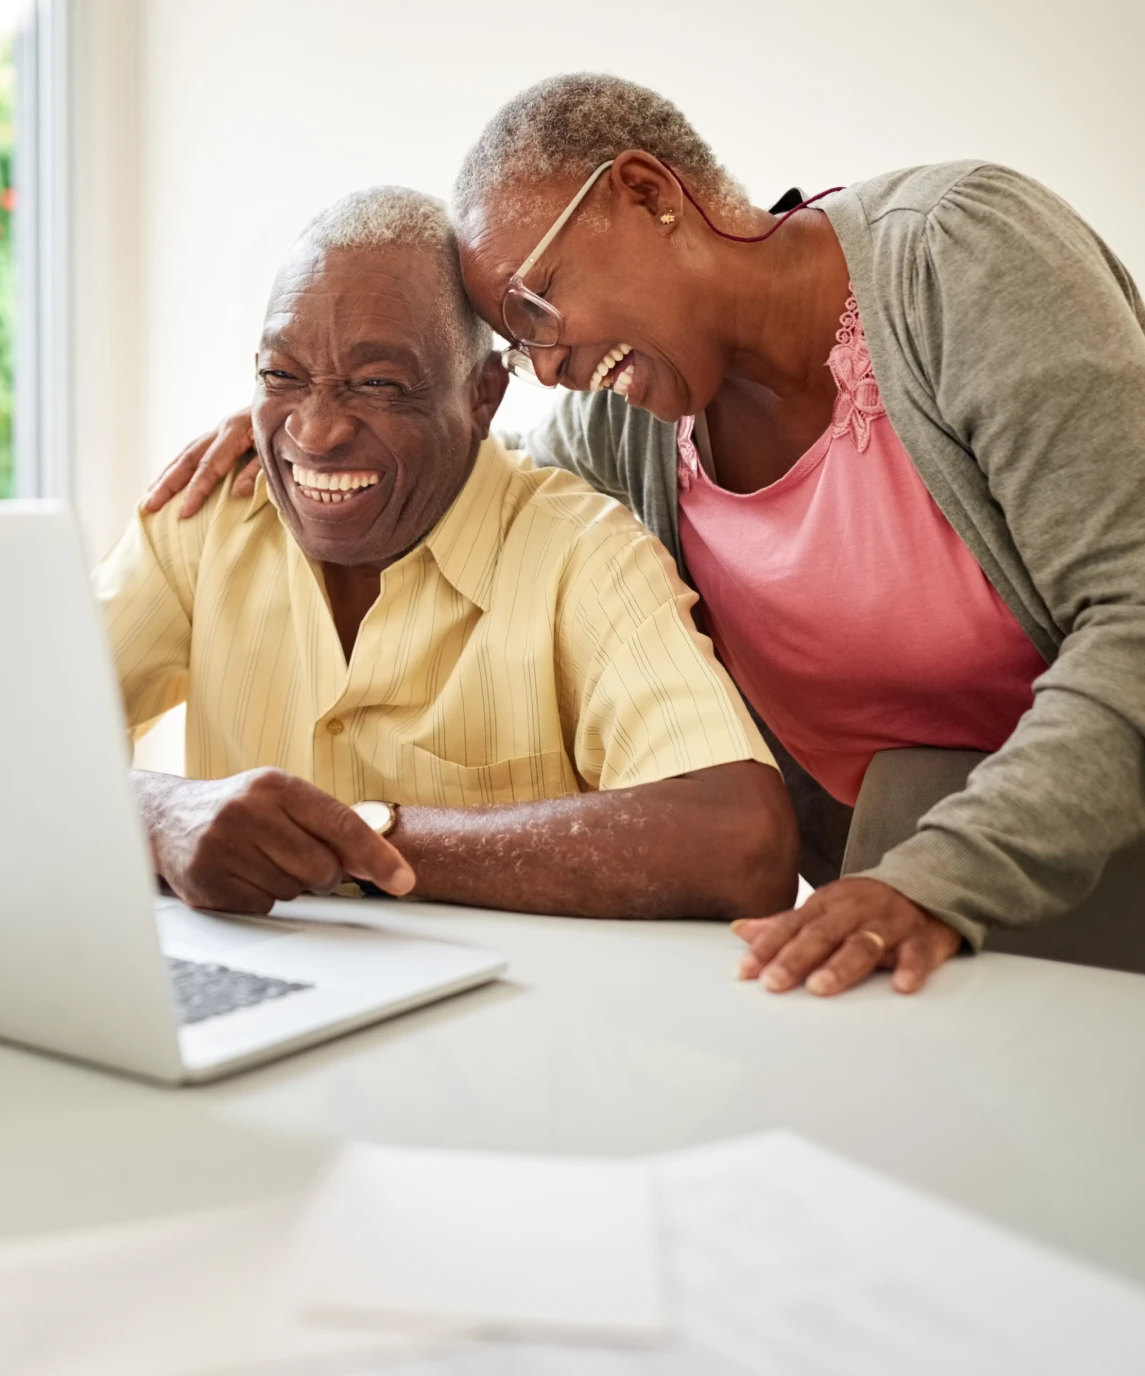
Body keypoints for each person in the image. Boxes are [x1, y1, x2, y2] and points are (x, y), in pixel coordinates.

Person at [147, 75, 1145, 998]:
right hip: (900, 872)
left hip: (1090, 835)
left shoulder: (959, 253)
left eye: (539, 305)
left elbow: (1135, 618)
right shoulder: (627, 424)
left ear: (649, 196)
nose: (546, 364)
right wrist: (312, 411)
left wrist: (941, 875)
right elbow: (468, 459)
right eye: (517, 338)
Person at [96, 186, 797, 922]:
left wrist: (361, 839)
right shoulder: (203, 522)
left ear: (483, 397)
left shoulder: (585, 557)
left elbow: (740, 842)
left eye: (378, 384)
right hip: (254, 1014)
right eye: (283, 377)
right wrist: (160, 811)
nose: (315, 432)